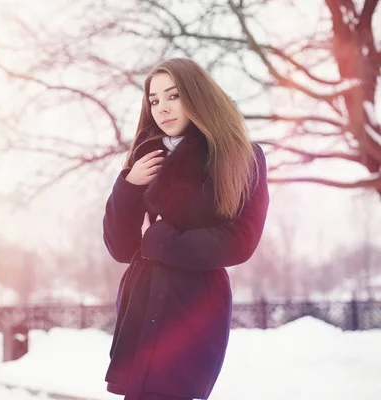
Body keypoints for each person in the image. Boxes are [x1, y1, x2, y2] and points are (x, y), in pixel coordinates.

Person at [102, 58, 269, 400]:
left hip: (194, 306)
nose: (162, 108)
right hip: (142, 302)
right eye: (154, 100)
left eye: (173, 95)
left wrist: (162, 240)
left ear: (196, 95)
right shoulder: (146, 157)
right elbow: (121, 248)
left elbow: (240, 241)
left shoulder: (240, 156)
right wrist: (128, 184)